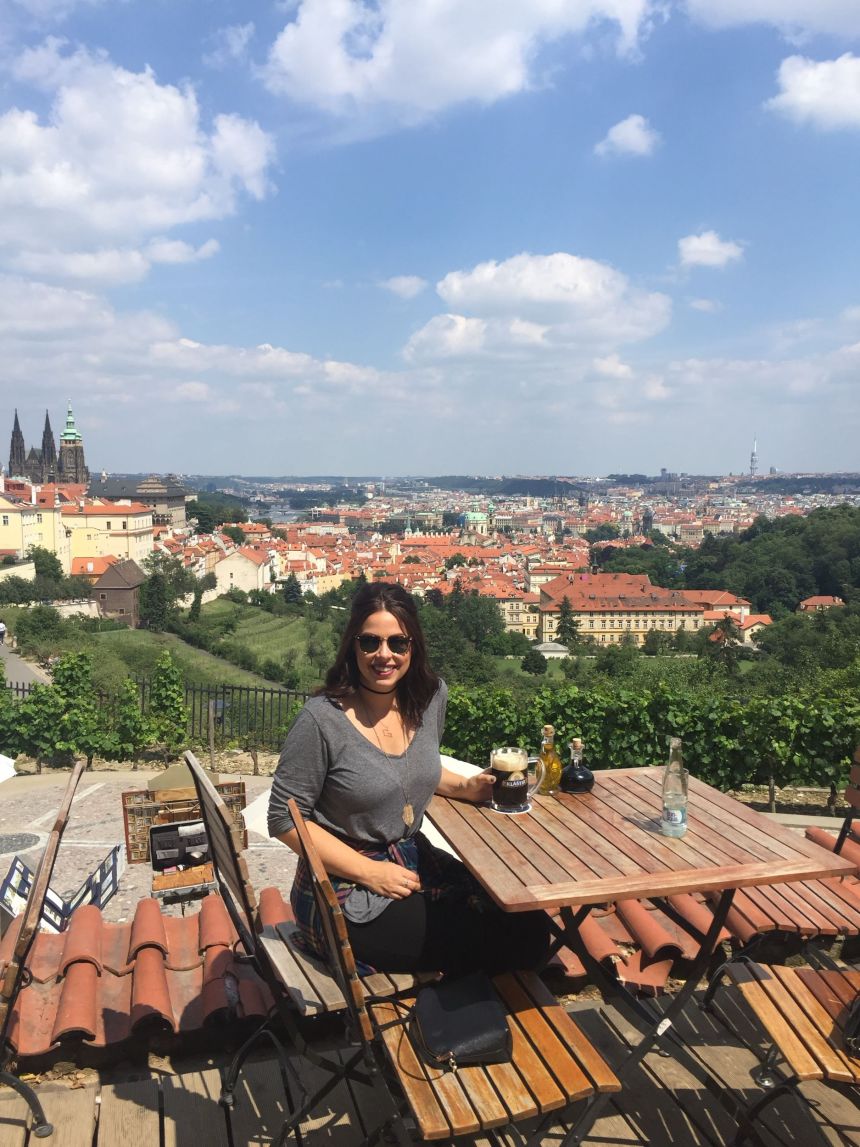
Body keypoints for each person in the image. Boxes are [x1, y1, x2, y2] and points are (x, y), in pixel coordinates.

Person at [268, 582, 551, 977]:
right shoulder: (321, 720)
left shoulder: (430, 697)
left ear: (413, 647)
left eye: (398, 643)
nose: (384, 655)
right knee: (514, 941)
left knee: (530, 922)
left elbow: (412, 768)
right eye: (370, 642)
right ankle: (450, 1022)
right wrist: (370, 872)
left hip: (408, 861)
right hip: (343, 891)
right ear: (352, 645)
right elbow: (282, 819)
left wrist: (464, 786)